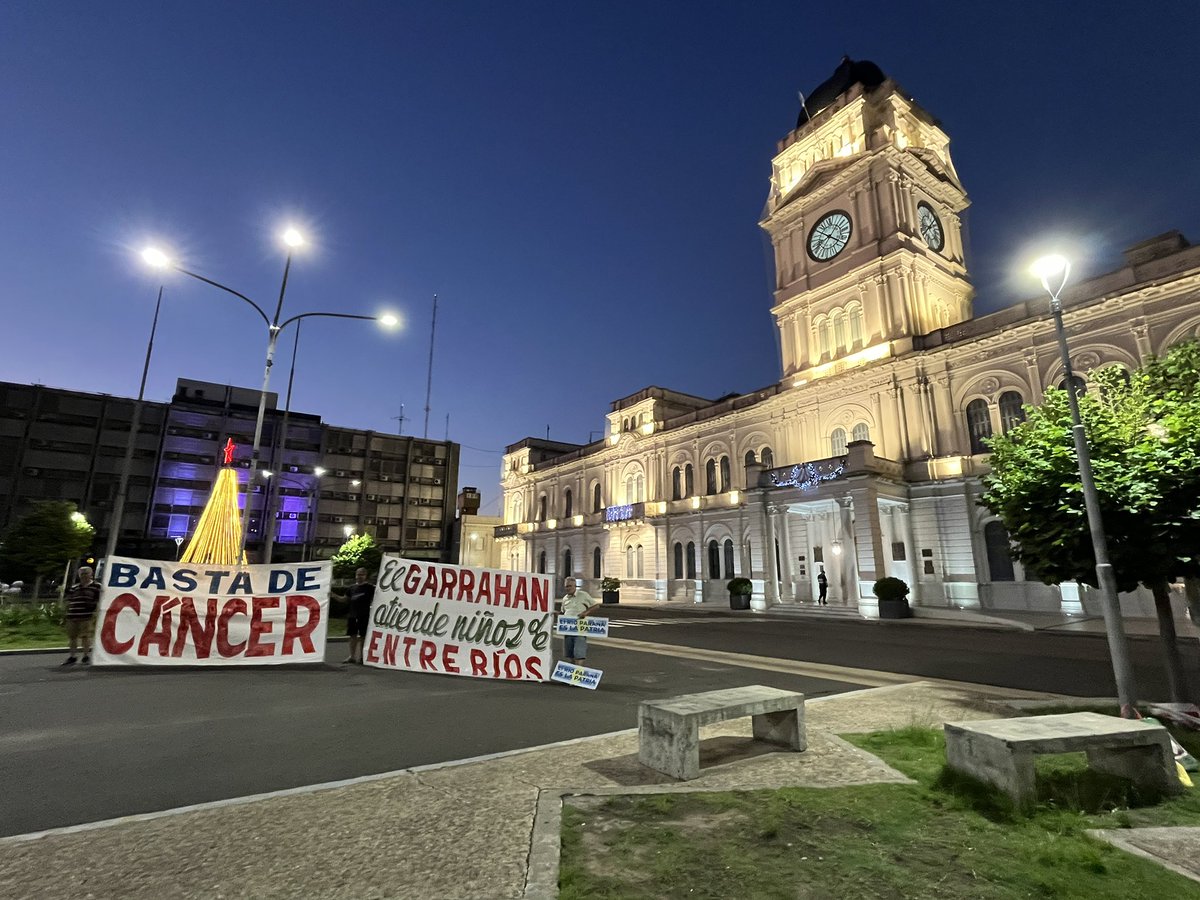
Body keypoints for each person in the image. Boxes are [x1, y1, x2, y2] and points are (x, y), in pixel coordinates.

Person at [63, 566, 100, 666]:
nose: (84, 575)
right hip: (72, 615)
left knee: (85, 636)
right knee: (72, 637)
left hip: (86, 616)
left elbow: (99, 600)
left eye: (86, 573)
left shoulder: (97, 587)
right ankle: (72, 656)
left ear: (91, 574)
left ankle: (85, 656)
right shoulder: (74, 587)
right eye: (82, 574)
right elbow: (69, 600)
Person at [559, 577, 600, 666]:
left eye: (569, 586)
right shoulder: (565, 598)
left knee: (579, 653)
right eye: (566, 586)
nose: (567, 588)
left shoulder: (583, 595)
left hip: (580, 629)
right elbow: (563, 612)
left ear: (575, 586)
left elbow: (596, 606)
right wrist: (557, 614)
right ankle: (573, 672)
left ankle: (577, 674)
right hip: (568, 630)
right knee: (570, 654)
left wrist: (585, 613)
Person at [341, 567, 376, 665]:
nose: (359, 577)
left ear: (365, 576)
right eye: (358, 574)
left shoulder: (370, 588)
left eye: (361, 575)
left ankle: (362, 657)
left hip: (364, 615)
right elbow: (344, 599)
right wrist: (332, 595)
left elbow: (379, 597)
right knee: (352, 636)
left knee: (363, 636)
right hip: (352, 615)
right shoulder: (351, 588)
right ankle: (352, 656)